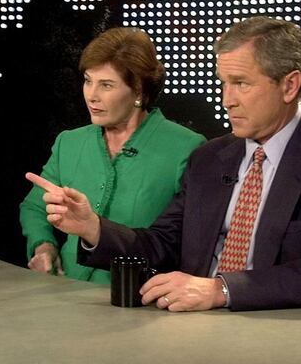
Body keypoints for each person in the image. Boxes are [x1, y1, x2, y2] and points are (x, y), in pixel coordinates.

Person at [27, 16, 301, 311]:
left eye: (241, 84)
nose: (227, 100)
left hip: (277, 332)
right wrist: (92, 228)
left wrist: (220, 289)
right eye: (223, 84)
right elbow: (160, 245)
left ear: (289, 86)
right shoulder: (211, 158)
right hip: (185, 326)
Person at [20, 27, 205, 284]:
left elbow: (184, 242)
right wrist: (44, 246)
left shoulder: (186, 148)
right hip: (68, 295)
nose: (91, 95)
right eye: (88, 80)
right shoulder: (70, 142)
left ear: (138, 90)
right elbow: (34, 207)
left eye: (106, 85)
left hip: (140, 300)